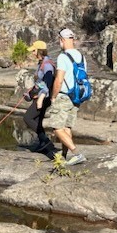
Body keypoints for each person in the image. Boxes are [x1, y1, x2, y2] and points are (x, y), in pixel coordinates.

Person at [43, 27, 87, 167]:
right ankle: (64, 155)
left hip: (63, 96)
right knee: (67, 127)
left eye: (60, 40)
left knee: (56, 127)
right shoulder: (81, 57)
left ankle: (77, 154)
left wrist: (53, 97)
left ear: (62, 40)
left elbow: (59, 79)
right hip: (76, 97)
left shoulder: (63, 56)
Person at [22, 40, 55, 157]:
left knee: (28, 118)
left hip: (43, 97)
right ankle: (43, 145)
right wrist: (31, 91)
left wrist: (40, 98)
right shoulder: (42, 63)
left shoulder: (47, 65)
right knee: (38, 120)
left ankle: (46, 141)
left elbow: (48, 81)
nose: (32, 52)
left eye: (34, 50)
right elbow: (41, 82)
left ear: (39, 51)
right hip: (40, 95)